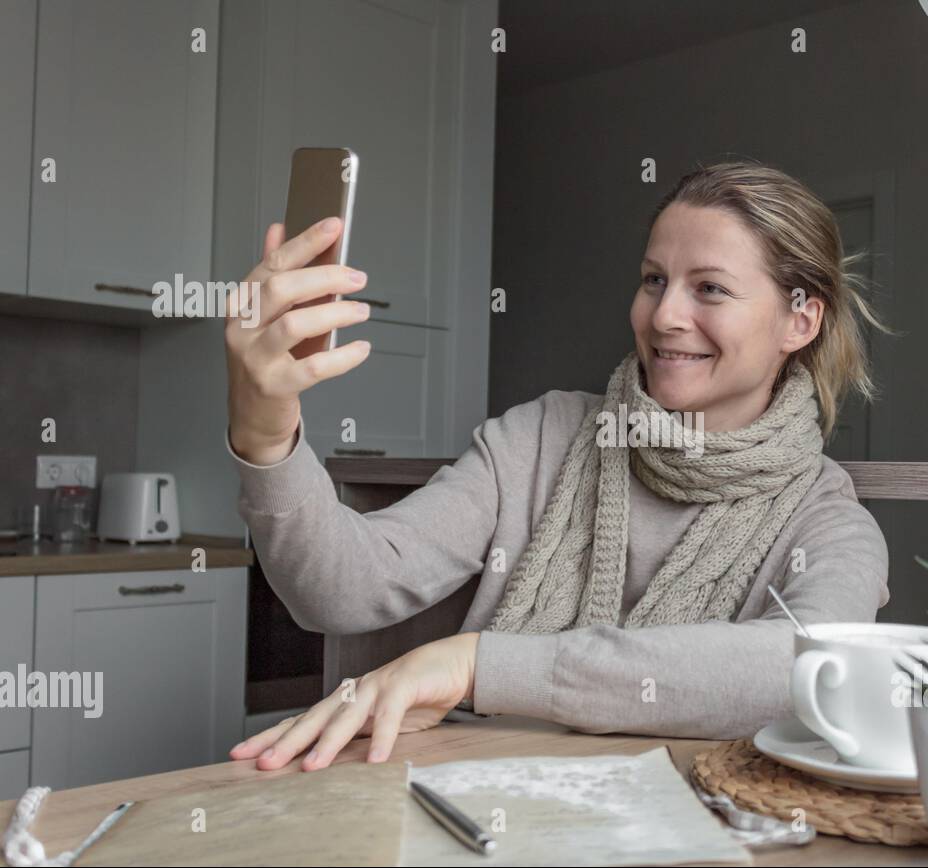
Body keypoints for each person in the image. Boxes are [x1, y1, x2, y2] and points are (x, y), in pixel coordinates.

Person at [223, 160, 890, 772]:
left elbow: (808, 668)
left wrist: (479, 665)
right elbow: (341, 587)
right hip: (479, 806)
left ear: (799, 323)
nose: (664, 316)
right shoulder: (543, 435)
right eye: (654, 280)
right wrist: (264, 425)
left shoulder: (825, 520)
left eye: (710, 289)